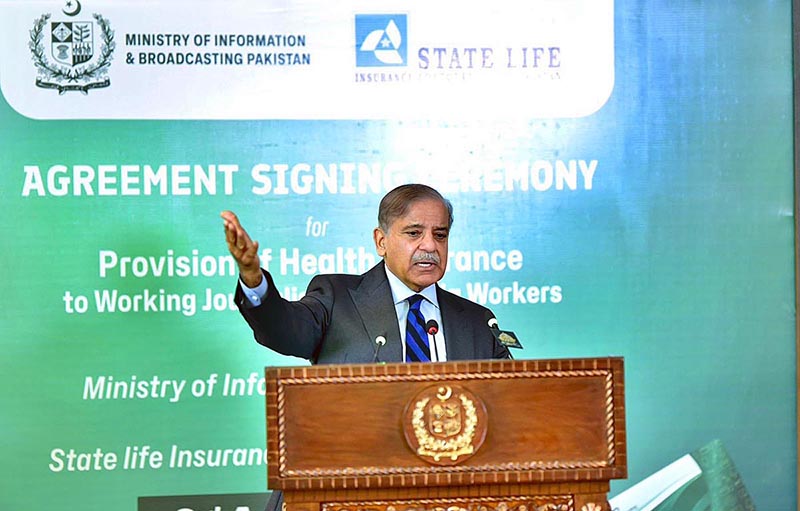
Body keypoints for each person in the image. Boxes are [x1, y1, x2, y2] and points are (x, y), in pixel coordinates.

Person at [221, 183, 510, 364]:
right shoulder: (336, 300)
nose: (430, 246)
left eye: (440, 235)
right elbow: (284, 333)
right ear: (381, 241)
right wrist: (252, 277)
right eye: (414, 233)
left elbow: (509, 400)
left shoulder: (477, 322)